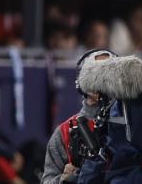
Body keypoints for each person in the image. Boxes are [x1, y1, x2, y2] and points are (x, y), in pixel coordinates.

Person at [41, 49, 116, 184]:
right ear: (82, 82)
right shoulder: (64, 132)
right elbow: (48, 180)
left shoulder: (132, 125)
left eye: (110, 71)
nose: (104, 78)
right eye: (96, 72)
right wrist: (64, 180)